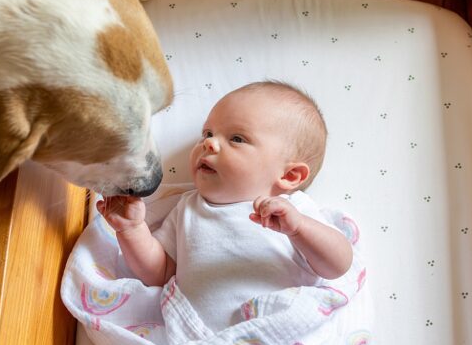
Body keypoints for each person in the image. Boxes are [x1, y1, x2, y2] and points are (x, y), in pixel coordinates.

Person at [97, 81, 353, 331]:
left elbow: (337, 265)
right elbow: (160, 272)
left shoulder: (293, 210)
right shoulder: (187, 208)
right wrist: (132, 229)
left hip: (275, 332)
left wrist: (299, 229)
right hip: (200, 339)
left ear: (289, 177)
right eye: (207, 133)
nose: (209, 143)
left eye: (237, 138)